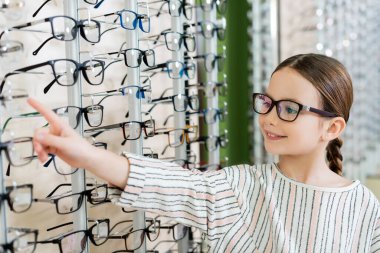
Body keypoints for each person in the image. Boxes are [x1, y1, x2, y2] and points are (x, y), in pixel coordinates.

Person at [28, 53, 380, 253]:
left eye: (289, 108)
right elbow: (169, 185)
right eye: (267, 103)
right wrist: (85, 153)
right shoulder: (241, 188)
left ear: (331, 128)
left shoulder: (364, 208)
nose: (270, 118)